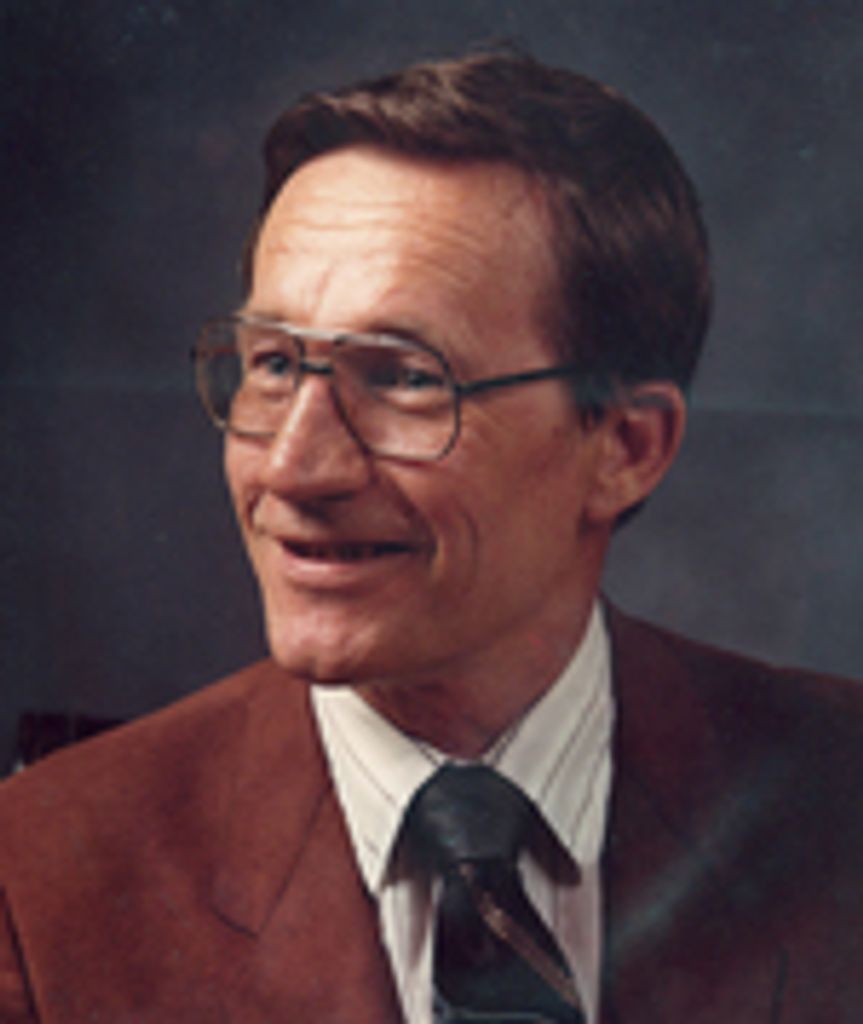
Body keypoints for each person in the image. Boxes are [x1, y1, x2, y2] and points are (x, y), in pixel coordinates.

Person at [1, 49, 861, 1024]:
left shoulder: (840, 796)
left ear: (626, 447)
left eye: (407, 378)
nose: (291, 468)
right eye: (272, 364)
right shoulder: (35, 883)